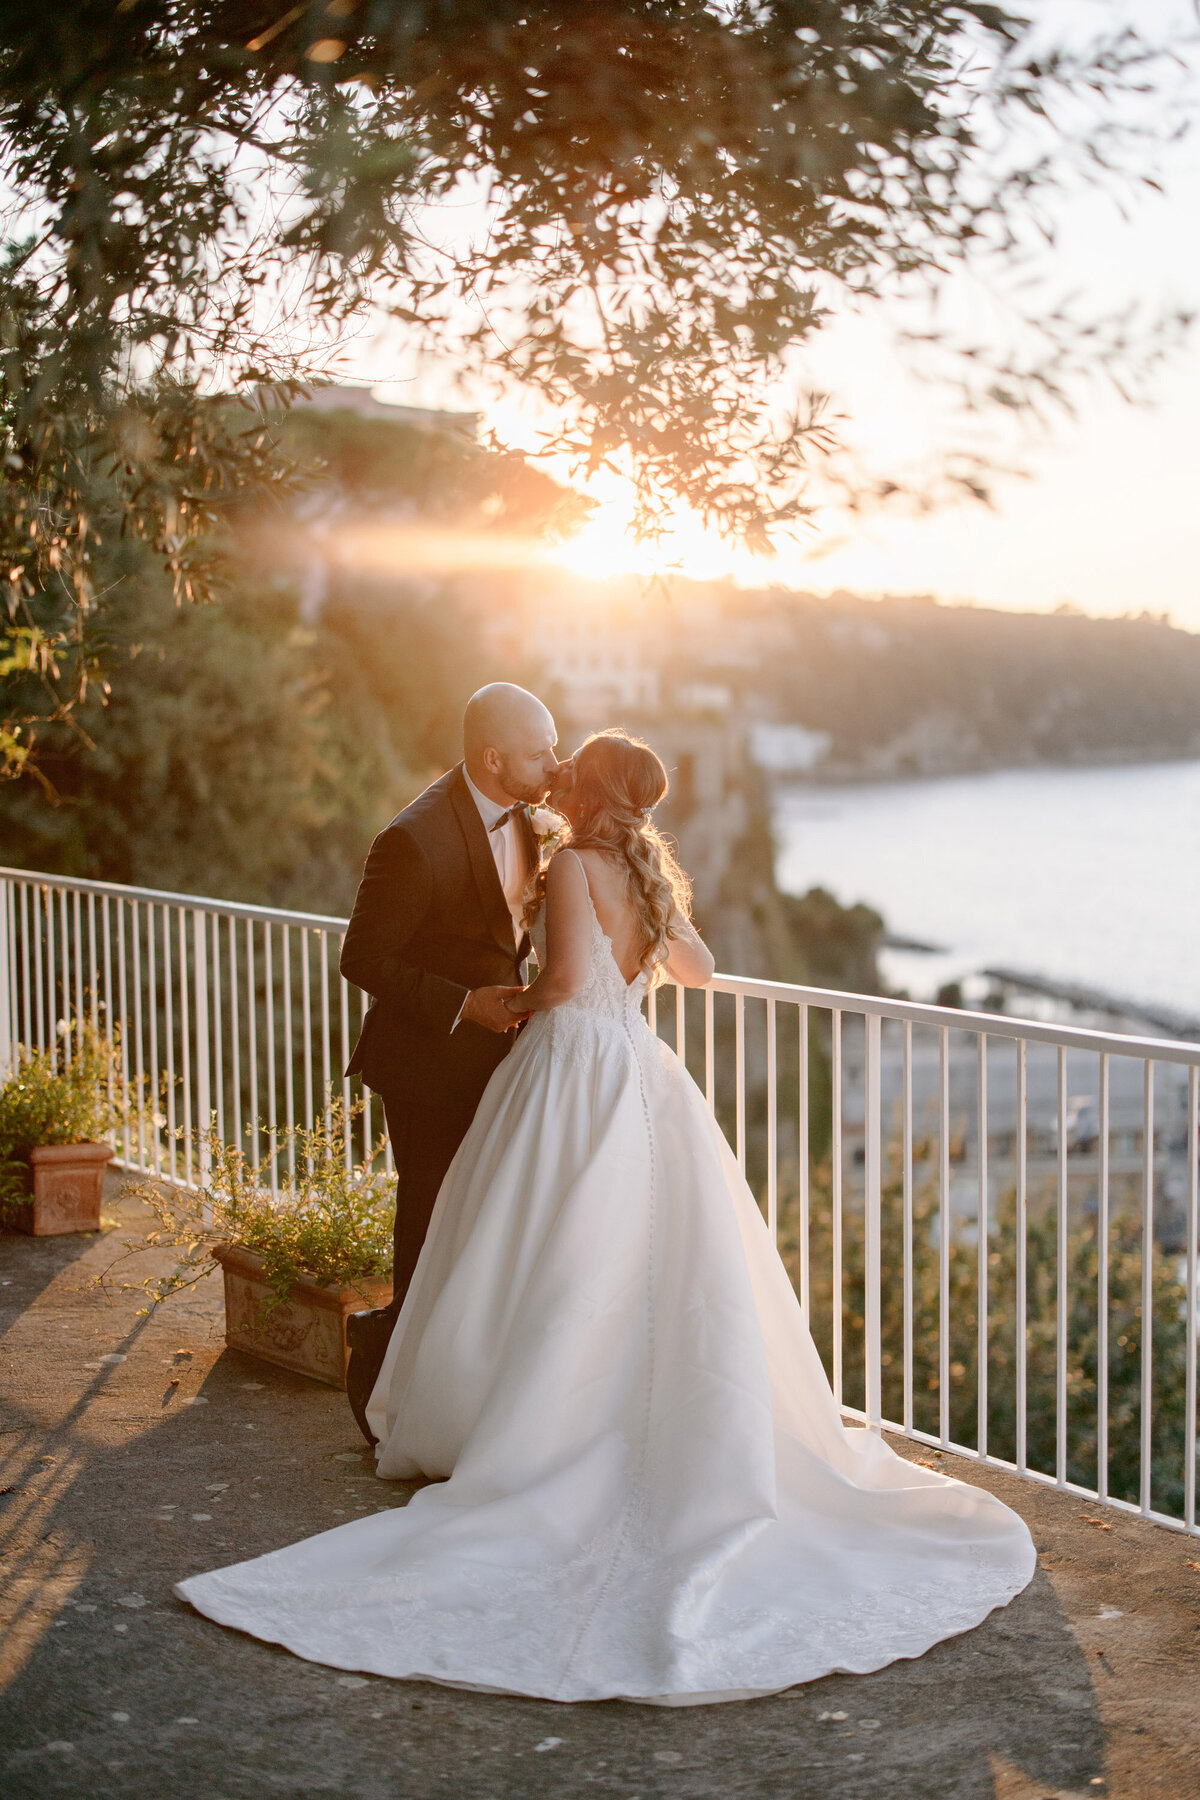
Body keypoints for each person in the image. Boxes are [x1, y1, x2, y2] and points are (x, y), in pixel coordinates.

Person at [176, 730, 1036, 1705]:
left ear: (585, 788)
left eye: (569, 769)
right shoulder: (643, 871)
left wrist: (510, 1000)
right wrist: (650, 947)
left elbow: (556, 985)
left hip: (570, 1064)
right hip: (642, 1067)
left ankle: (528, 1424)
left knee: (541, 1247)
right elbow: (699, 969)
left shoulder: (577, 865)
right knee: (646, 1259)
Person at [338, 683, 563, 1441]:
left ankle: (464, 1391)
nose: (554, 763)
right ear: (494, 758)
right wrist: (467, 1004)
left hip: (500, 1058)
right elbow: (363, 957)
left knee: (486, 1222)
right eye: (540, 752)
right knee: (430, 1223)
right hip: (428, 1065)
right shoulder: (413, 838)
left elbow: (506, 932)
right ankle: (384, 1375)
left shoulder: (528, 817)